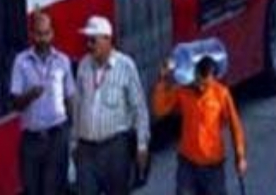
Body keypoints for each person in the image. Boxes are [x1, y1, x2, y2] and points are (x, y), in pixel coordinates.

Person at [73, 16, 150, 195]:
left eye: (93, 40)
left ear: (107, 39)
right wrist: (74, 143)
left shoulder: (125, 66)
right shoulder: (84, 65)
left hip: (114, 148)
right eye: (87, 41)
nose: (89, 45)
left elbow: (139, 108)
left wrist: (142, 145)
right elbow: (78, 106)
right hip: (86, 150)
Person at [154, 55, 247, 195]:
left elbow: (235, 126)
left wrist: (240, 156)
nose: (201, 87)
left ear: (213, 79)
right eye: (199, 82)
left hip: (213, 168)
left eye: (205, 84)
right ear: (195, 74)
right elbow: (159, 109)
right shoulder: (183, 92)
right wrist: (162, 80)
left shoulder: (221, 94)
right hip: (188, 165)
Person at [11, 11, 75, 195]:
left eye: (46, 33)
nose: (43, 39)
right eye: (39, 34)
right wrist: (29, 95)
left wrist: (74, 133)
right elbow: (15, 103)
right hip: (31, 139)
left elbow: (70, 97)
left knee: (53, 189)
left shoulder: (62, 61)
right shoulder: (21, 62)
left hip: (57, 134)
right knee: (32, 190)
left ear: (52, 34)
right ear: (32, 35)